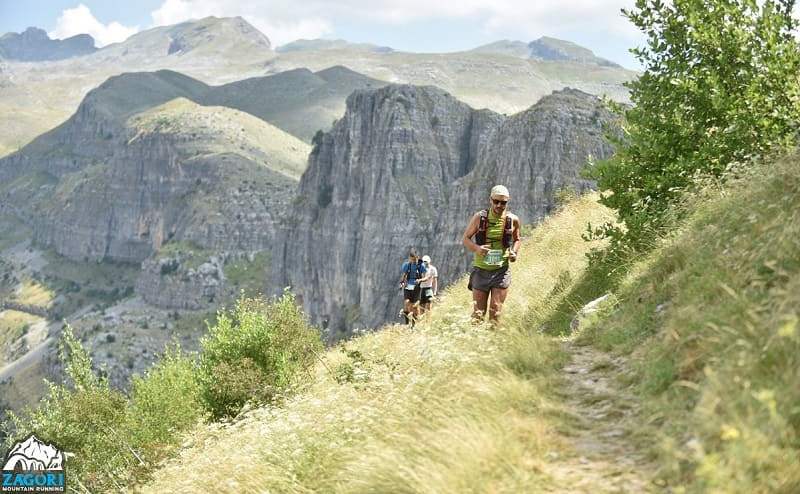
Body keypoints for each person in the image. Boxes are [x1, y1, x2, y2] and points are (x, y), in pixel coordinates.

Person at [461, 185, 521, 326]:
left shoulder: (513, 219)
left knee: (496, 311)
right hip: (481, 270)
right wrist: (477, 248)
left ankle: (493, 344)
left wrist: (514, 252)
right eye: (496, 201)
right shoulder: (479, 218)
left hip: (501, 271)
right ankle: (475, 345)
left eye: (503, 202)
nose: (499, 205)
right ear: (490, 200)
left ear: (508, 201)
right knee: (478, 314)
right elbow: (465, 238)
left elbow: (518, 238)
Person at [399, 249, 427, 326]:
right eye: (412, 259)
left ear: (418, 257)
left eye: (415, 259)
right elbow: (404, 276)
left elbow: (425, 277)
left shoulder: (421, 266)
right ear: (409, 258)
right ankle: (407, 323)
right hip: (408, 286)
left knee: (415, 305)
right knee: (407, 302)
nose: (414, 261)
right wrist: (401, 284)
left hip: (417, 287)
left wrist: (420, 280)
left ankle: (415, 323)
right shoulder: (407, 265)